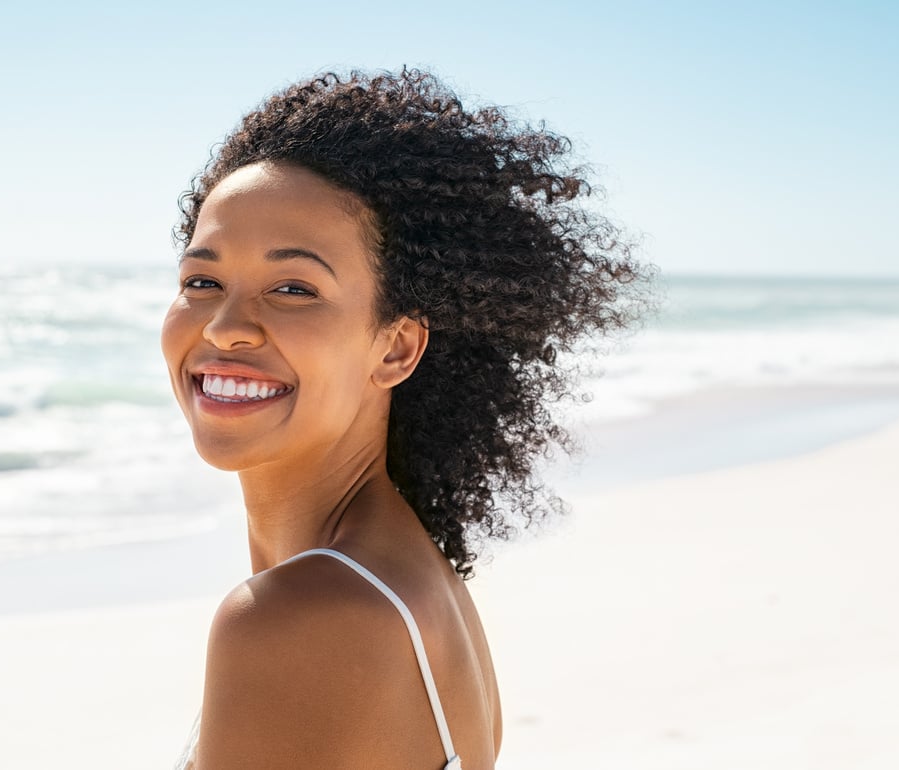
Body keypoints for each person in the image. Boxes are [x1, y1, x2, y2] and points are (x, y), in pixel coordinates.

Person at [162, 69, 645, 769]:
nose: (227, 327)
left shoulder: (302, 616)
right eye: (201, 281)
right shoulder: (412, 580)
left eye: (294, 288)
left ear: (395, 347)